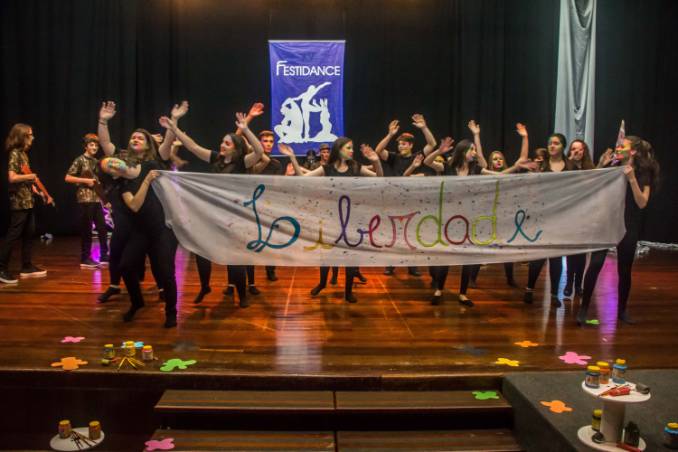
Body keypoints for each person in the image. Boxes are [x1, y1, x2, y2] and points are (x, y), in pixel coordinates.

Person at [159, 110, 264, 308]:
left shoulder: (242, 162)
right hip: (212, 214)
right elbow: (192, 146)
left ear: (236, 148)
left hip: (235, 217)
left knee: (234, 258)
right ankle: (205, 286)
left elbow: (259, 151)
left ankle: (242, 296)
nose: (222, 145)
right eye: (222, 142)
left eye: (227, 143)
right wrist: (174, 127)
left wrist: (245, 129)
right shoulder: (216, 158)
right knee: (202, 251)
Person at [280, 137, 383, 303]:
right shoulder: (326, 168)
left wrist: (376, 161)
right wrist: (292, 157)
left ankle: (348, 292)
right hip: (331, 218)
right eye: (349, 148)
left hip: (352, 218)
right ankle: (322, 284)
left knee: (350, 256)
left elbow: (380, 179)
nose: (352, 151)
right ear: (339, 149)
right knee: (327, 254)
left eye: (352, 148)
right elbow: (303, 179)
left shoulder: (356, 167)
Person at [577, 136, 659, 325]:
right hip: (605, 223)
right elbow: (590, 187)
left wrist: (631, 179)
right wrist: (601, 165)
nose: (618, 148)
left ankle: (622, 310)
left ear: (633, 151)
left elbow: (642, 202)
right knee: (595, 264)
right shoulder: (611, 167)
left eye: (623, 146)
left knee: (624, 269)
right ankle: (583, 309)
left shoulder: (642, 172)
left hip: (628, 224)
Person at [376, 114, 437, 277]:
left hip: (412, 199)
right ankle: (391, 264)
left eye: (403, 144)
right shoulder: (394, 157)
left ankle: (412, 265)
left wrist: (424, 127)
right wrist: (390, 134)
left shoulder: (418, 156)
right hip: (395, 198)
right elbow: (378, 151)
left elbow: (432, 144)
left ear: (410, 145)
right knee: (393, 232)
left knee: (412, 232)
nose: (400, 146)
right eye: (399, 144)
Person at [523, 133, 570, 307]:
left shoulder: (570, 167)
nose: (552, 146)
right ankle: (529, 288)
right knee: (539, 255)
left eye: (556, 143)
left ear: (563, 146)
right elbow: (532, 190)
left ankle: (554, 294)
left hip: (562, 217)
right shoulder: (542, 166)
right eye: (550, 143)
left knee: (556, 257)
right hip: (542, 216)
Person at [0, 124, 51, 284]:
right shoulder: (15, 153)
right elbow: (12, 177)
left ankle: (27, 266)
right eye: (30, 135)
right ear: (22, 136)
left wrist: (37, 191)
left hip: (28, 200)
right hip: (19, 201)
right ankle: (1, 268)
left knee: (30, 232)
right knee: (13, 234)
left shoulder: (23, 154)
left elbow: (25, 179)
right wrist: (31, 177)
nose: (33, 137)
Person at [65, 133, 109, 269]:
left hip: (96, 199)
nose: (94, 147)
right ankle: (85, 258)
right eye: (91, 145)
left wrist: (104, 198)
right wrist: (85, 180)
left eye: (96, 145)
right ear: (86, 146)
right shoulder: (80, 160)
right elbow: (68, 177)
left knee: (102, 228)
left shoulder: (96, 162)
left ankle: (104, 255)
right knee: (87, 229)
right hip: (85, 199)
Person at [562, 139, 595, 300]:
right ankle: (569, 283)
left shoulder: (590, 167)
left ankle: (578, 285)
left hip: (585, 213)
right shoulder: (566, 166)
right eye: (573, 149)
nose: (577, 152)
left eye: (580, 149)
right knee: (571, 251)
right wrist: (570, 161)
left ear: (584, 151)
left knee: (581, 253)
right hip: (570, 214)